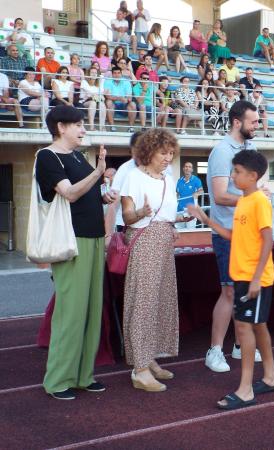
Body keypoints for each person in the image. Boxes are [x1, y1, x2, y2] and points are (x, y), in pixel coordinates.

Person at [188, 150, 274, 410]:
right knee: (258, 325)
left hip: (255, 277)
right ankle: (271, 377)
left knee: (244, 328)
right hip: (242, 274)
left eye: (237, 172)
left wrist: (255, 279)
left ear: (252, 176)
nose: (232, 176)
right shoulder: (243, 201)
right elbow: (233, 236)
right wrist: (207, 220)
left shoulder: (259, 202)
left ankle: (246, 388)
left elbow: (267, 241)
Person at [36, 105, 116, 400]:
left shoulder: (77, 157)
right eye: (78, 125)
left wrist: (102, 194)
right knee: (70, 312)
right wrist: (97, 172)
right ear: (61, 127)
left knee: (92, 311)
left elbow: (85, 193)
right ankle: (58, 379)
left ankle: (84, 375)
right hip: (72, 240)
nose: (84, 129)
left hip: (94, 238)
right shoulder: (47, 156)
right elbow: (68, 193)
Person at [120, 128, 184, 392]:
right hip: (144, 242)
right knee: (144, 303)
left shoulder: (166, 178)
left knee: (161, 300)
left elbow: (165, 213)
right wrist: (140, 212)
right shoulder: (134, 177)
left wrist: (177, 221)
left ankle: (151, 357)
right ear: (149, 152)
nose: (168, 158)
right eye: (163, 153)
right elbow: (127, 217)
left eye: (171, 153)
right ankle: (140, 368)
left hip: (164, 241)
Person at [205, 100, 263, 372]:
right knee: (228, 291)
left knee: (245, 291)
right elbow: (219, 195)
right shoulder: (221, 151)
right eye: (253, 121)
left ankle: (240, 344)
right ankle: (215, 350)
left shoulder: (250, 148)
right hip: (229, 233)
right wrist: (251, 198)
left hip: (249, 232)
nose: (257, 125)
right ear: (237, 122)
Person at [104, 66, 137, 132]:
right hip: (113, 103)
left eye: (118, 73)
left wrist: (126, 99)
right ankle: (112, 127)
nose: (117, 75)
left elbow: (129, 97)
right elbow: (107, 96)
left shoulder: (126, 82)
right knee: (108, 102)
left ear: (121, 74)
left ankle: (131, 127)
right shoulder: (108, 81)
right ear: (112, 74)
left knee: (133, 104)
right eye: (115, 73)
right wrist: (119, 98)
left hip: (124, 104)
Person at [176, 161, 204, 229]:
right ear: (183, 168)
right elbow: (177, 194)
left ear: (192, 170)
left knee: (190, 232)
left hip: (191, 211)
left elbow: (201, 191)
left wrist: (197, 193)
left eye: (189, 167)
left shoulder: (196, 180)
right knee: (180, 233)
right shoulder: (179, 180)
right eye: (186, 166)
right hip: (180, 210)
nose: (187, 168)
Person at [79, 67, 106, 131]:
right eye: (92, 72)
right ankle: (91, 127)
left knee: (102, 104)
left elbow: (101, 92)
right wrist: (98, 94)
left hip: (97, 101)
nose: (94, 74)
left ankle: (102, 127)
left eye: (95, 73)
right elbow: (89, 94)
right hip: (85, 101)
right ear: (88, 74)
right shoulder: (84, 82)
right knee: (93, 103)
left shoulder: (99, 83)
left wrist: (97, 95)